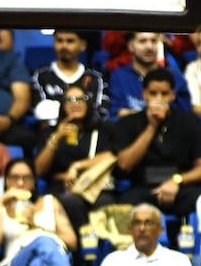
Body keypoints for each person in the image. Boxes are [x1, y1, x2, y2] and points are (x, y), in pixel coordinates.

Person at [110, 68, 201, 224]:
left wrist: (177, 181)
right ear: (144, 94)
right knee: (126, 203)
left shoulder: (189, 122)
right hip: (143, 188)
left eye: (164, 94)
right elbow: (124, 165)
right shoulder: (127, 123)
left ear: (172, 95)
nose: (159, 99)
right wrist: (152, 126)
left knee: (199, 199)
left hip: (181, 187)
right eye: (153, 93)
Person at [33, 85, 116, 235]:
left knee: (105, 201)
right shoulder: (49, 133)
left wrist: (77, 166)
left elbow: (112, 155)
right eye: (70, 100)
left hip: (94, 184)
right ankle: (81, 243)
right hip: (63, 187)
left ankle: (102, 244)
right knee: (70, 201)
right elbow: (39, 169)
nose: (75, 104)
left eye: (80, 99)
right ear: (63, 105)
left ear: (88, 103)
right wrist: (56, 138)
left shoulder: (102, 130)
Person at [0, 158, 77, 266]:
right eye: (15, 178)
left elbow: (71, 241)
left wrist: (35, 225)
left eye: (26, 178)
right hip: (16, 263)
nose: (20, 183)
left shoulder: (50, 202)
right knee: (43, 240)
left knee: (37, 264)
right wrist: (1, 203)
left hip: (47, 261)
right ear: (7, 181)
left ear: (33, 182)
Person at [108, 32, 192, 118]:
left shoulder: (175, 77)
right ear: (130, 46)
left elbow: (185, 116)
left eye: (154, 41)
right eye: (142, 41)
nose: (149, 47)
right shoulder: (119, 76)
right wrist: (152, 115)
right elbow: (117, 112)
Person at [31, 29, 108, 120]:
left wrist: (56, 108)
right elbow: (40, 112)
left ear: (83, 45)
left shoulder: (96, 78)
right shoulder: (40, 76)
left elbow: (100, 114)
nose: (64, 46)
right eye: (59, 40)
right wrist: (80, 109)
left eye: (70, 41)